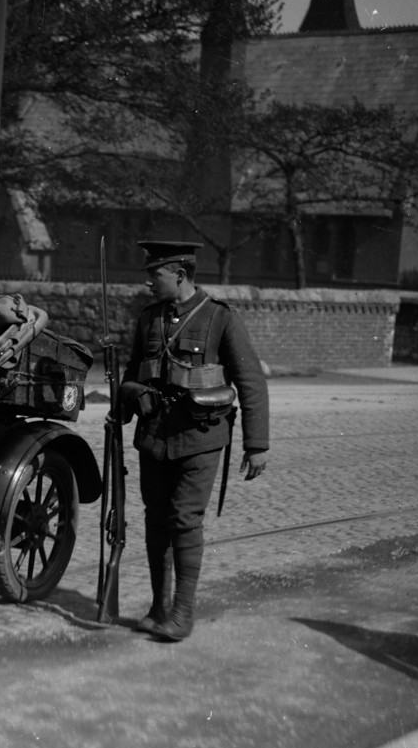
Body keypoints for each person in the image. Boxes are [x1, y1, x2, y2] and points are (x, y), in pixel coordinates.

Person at [120, 240, 269, 641]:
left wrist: (256, 445)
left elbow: (250, 381)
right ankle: (158, 606)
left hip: (200, 438)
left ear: (180, 275)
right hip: (154, 437)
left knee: (184, 519)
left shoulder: (220, 318)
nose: (149, 282)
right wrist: (130, 397)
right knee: (155, 520)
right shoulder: (149, 318)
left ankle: (182, 613)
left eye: (156, 275)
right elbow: (133, 371)